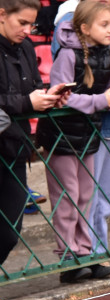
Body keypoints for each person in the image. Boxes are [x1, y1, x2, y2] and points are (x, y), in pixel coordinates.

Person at [36, 0, 110, 282]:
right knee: (67, 197)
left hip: (89, 132)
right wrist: (102, 100)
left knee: (86, 195)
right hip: (61, 135)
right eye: (104, 25)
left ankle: (87, 252)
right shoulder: (68, 54)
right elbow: (62, 97)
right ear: (84, 27)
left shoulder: (108, 51)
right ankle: (68, 257)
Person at [0, 0, 68, 268]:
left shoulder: (26, 48)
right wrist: (28, 103)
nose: (27, 30)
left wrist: (51, 96)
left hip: (15, 147)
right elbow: (20, 99)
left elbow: (35, 86)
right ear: (2, 14)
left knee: (10, 231)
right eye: (22, 23)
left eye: (32, 24)